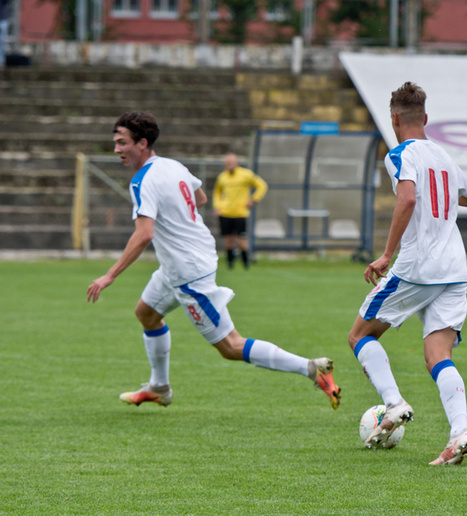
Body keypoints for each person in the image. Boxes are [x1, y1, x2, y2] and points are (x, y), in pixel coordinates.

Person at [87, 111, 340, 410]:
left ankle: (311, 368)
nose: (117, 149)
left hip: (187, 272)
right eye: (115, 143)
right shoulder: (172, 165)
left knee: (230, 346)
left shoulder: (142, 181)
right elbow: (202, 198)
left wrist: (110, 275)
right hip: (184, 262)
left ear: (142, 143)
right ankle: (159, 387)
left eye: (122, 143)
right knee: (147, 313)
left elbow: (143, 235)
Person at [347, 82, 467, 465]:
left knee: (360, 334)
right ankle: (459, 433)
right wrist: (444, 190)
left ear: (394, 119)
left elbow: (407, 197)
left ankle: (392, 404)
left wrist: (386, 254)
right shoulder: (443, 156)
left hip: (418, 265)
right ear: (425, 119)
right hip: (454, 268)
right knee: (437, 356)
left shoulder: (399, 154)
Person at [212, 151, 268, 269]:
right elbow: (217, 193)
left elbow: (262, 185)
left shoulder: (246, 174)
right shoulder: (222, 177)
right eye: (227, 163)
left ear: (236, 162)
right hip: (225, 212)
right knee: (228, 239)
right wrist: (217, 207)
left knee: (241, 239)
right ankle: (230, 263)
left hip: (240, 212)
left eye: (231, 162)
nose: (229, 165)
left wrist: (253, 199)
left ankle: (245, 262)